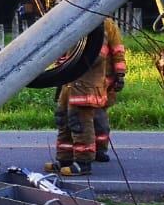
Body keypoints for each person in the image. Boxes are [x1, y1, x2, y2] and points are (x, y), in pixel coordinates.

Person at [45, 24, 111, 177]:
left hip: (85, 88)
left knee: (80, 125)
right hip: (69, 86)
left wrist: (71, 60)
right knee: (63, 121)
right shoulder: (75, 31)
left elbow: (96, 57)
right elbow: (63, 57)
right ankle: (64, 159)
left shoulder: (96, 32)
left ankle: (83, 163)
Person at [92, 17, 127, 163]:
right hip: (81, 81)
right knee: (80, 120)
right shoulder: (79, 23)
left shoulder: (108, 25)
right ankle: (84, 150)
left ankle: (100, 150)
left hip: (102, 82)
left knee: (99, 119)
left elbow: (118, 50)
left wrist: (120, 75)